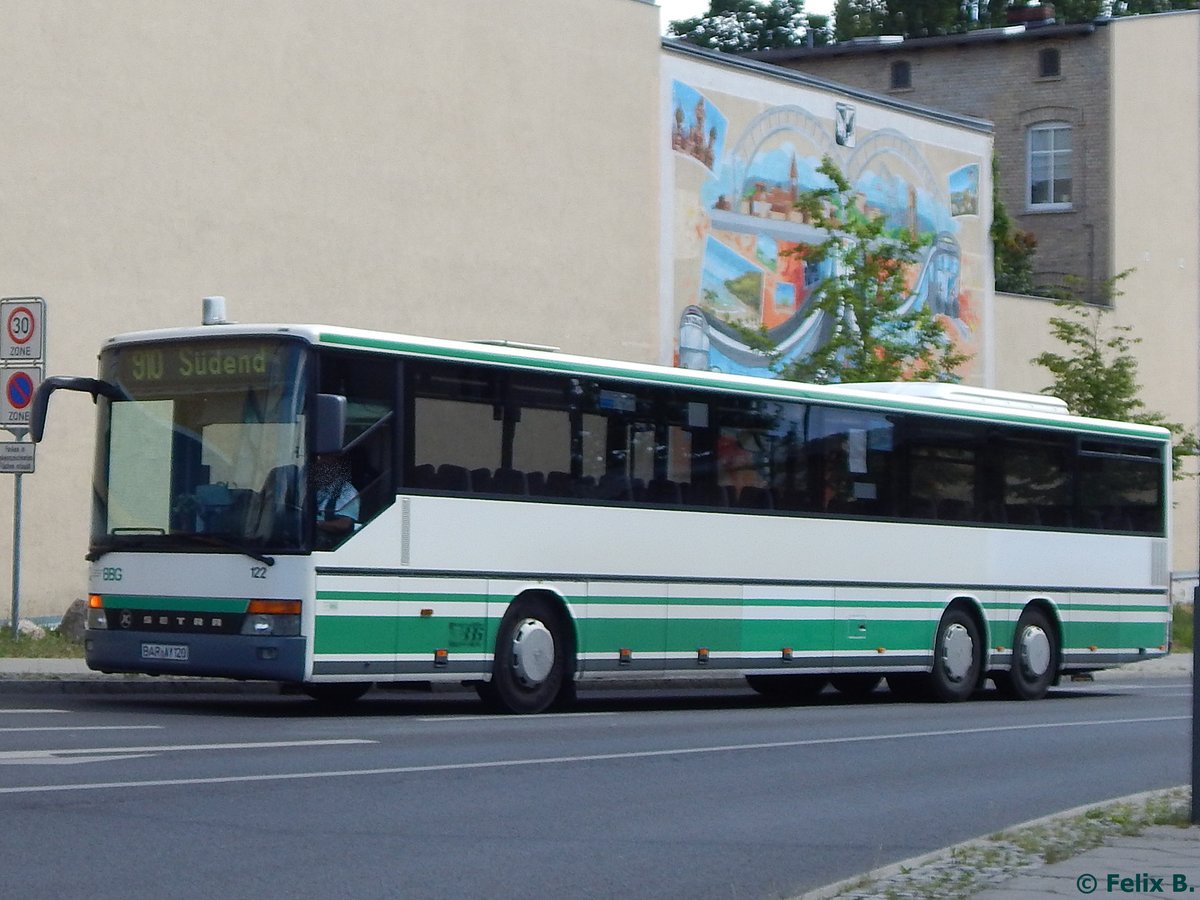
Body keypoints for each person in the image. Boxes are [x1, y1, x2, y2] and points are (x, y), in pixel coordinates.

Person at [313, 452, 359, 544]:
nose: (320, 469)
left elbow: (344, 524)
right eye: (318, 465)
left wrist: (315, 524)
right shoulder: (307, 487)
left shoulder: (347, 491)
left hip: (329, 542)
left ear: (336, 467)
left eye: (325, 465)